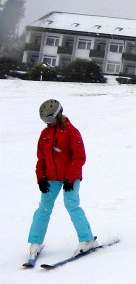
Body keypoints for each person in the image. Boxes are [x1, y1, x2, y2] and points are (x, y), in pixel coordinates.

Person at [27, 99, 96, 259]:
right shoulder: (45, 134)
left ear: (58, 115)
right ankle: (35, 242)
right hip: (50, 177)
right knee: (43, 208)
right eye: (45, 121)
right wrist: (41, 178)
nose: (48, 124)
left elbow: (79, 157)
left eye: (50, 120)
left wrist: (70, 178)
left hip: (70, 177)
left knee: (71, 204)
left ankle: (87, 239)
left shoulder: (72, 132)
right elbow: (41, 158)